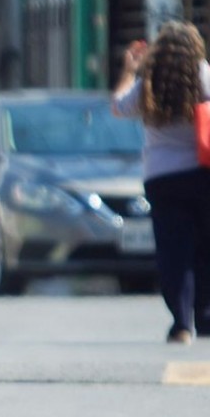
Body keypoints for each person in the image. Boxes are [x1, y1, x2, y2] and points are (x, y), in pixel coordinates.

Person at [112, 20, 210, 345]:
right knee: (204, 248)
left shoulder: (148, 82)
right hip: (202, 173)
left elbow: (119, 106)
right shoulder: (203, 74)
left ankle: (182, 324)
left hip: (162, 178)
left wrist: (130, 70)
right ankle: (206, 315)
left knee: (173, 252)